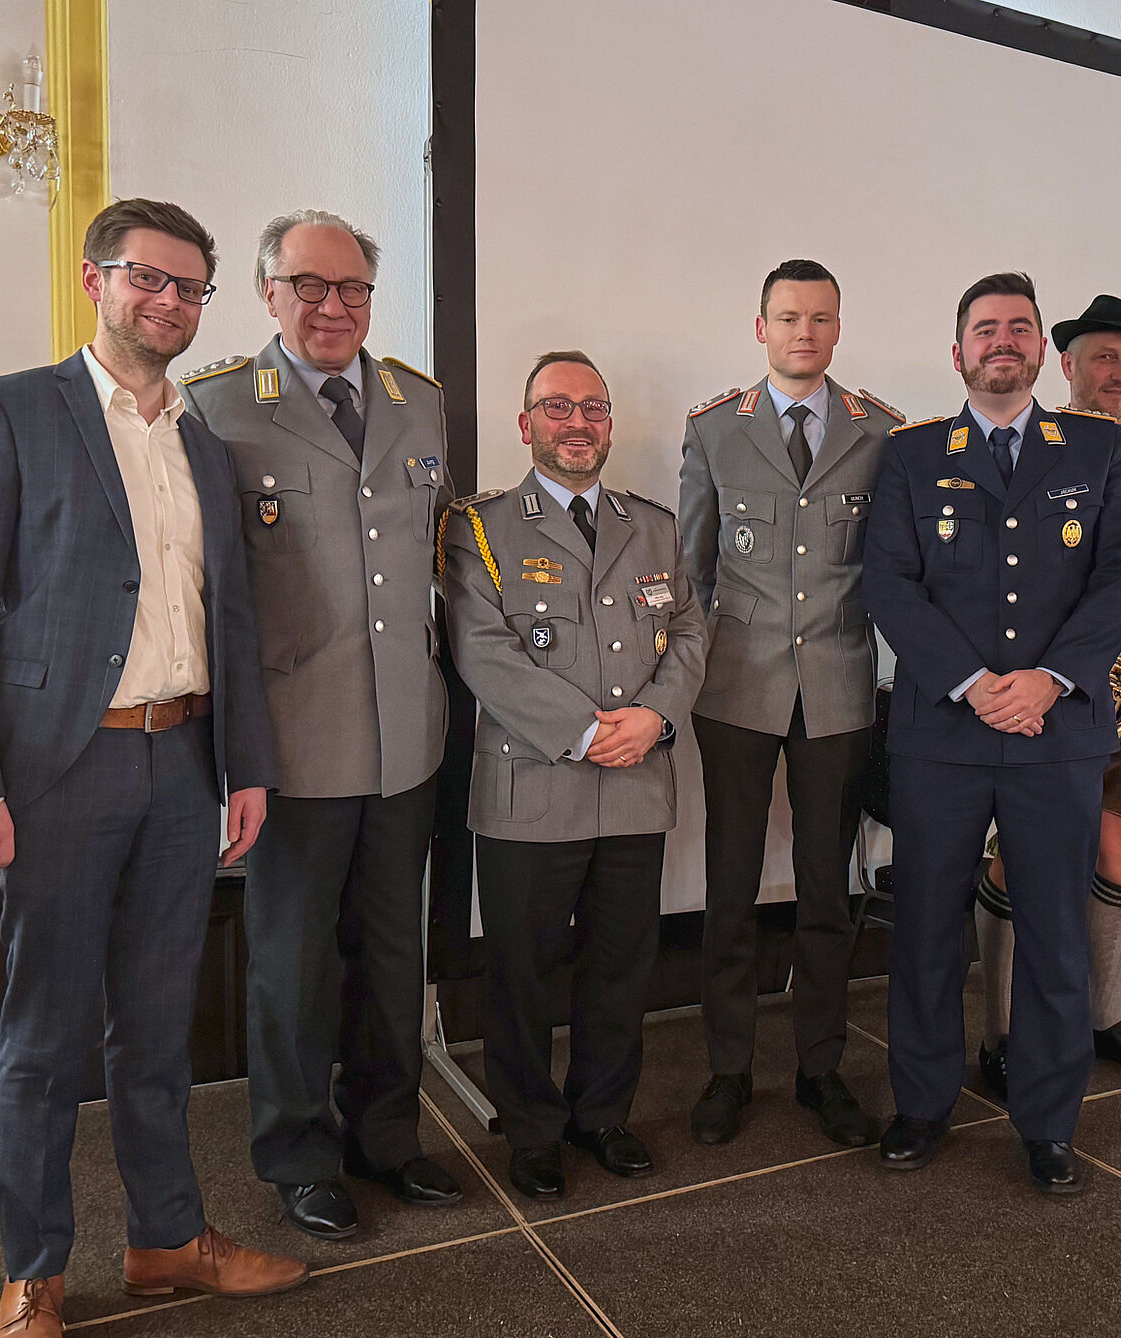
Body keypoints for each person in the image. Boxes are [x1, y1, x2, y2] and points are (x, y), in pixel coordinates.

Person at [0, 197, 305, 1338]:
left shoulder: (207, 445)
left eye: (191, 288)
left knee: (157, 1023)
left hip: (184, 767)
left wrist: (247, 767)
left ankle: (168, 1240)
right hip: (59, 773)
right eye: (149, 279)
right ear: (95, 280)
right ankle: (33, 1274)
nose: (170, 303)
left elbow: (229, 621)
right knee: (43, 1038)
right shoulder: (9, 412)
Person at [178, 210, 460, 1242]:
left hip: (406, 735)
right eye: (310, 287)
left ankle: (389, 1135)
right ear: (267, 293)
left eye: (352, 290)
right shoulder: (215, 410)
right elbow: (208, 593)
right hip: (294, 744)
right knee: (293, 962)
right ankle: (298, 1150)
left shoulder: (416, 403)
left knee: (394, 952)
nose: (334, 308)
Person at [861, 272, 1121, 1197]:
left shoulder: (1099, 450)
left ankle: (1050, 1121)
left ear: (1040, 350)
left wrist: (1048, 679)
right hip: (943, 732)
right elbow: (889, 585)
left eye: (1018, 327)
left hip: (1056, 730)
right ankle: (923, 1102)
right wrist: (979, 684)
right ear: (958, 352)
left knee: (1057, 931)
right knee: (929, 927)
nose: (1002, 341)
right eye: (985, 329)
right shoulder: (910, 454)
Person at [440, 351, 707, 1200]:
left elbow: (692, 631)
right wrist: (589, 730)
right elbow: (481, 649)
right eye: (558, 407)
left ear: (610, 423)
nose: (577, 423)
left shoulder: (654, 526)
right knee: (521, 971)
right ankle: (532, 1126)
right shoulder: (478, 525)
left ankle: (602, 1114)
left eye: (593, 407)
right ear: (526, 425)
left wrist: (658, 717)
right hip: (533, 787)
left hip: (635, 783)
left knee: (621, 964)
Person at [676, 259, 902, 1149]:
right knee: (728, 887)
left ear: (838, 328)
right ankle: (728, 1069)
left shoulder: (878, 431)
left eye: (819, 318)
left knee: (824, 890)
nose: (803, 331)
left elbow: (887, 568)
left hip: (839, 690)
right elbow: (692, 575)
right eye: (787, 317)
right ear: (760, 327)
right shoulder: (713, 432)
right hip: (736, 687)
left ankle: (820, 1065)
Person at [973, 295, 1121, 1100]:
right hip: (1047, 692)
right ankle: (999, 1033)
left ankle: (1101, 1019)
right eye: (1105, 357)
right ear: (1065, 363)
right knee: (1020, 855)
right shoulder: (1035, 445)